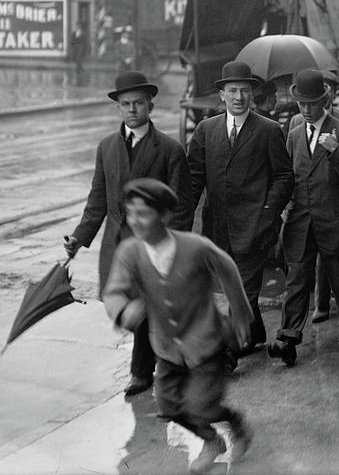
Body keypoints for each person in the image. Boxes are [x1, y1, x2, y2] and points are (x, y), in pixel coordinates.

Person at [103, 179, 254, 474]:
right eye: (130, 213)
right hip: (166, 346)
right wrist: (123, 309)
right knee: (170, 407)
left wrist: (240, 316)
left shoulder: (194, 247)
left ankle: (230, 428)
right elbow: (114, 292)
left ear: (164, 216)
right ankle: (213, 439)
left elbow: (228, 270)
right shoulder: (130, 252)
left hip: (205, 342)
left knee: (200, 406)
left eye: (143, 213)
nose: (135, 221)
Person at [65, 70, 193, 396]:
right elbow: (97, 201)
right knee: (127, 310)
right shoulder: (107, 147)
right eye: (126, 104)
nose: (132, 109)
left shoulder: (169, 149)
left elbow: (180, 205)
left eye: (139, 103)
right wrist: (79, 238)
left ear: (150, 105)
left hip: (153, 246)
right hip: (117, 246)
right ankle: (164, 357)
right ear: (118, 108)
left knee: (149, 307)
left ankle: (143, 371)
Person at [187, 61, 294, 361]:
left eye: (245, 91)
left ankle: (228, 355)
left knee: (242, 292)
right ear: (221, 94)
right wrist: (183, 220)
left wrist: (269, 211)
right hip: (218, 228)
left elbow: (285, 176)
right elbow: (194, 179)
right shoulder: (206, 130)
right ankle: (255, 332)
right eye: (232, 90)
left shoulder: (268, 130)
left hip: (254, 226)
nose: (239, 97)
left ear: (252, 94)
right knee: (234, 288)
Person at [267, 70, 339, 366]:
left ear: (325, 100)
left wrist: (336, 152)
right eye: (301, 104)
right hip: (300, 219)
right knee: (297, 279)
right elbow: (287, 177)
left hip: (334, 219)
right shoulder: (295, 134)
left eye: (312, 104)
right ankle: (289, 337)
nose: (307, 110)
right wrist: (279, 209)